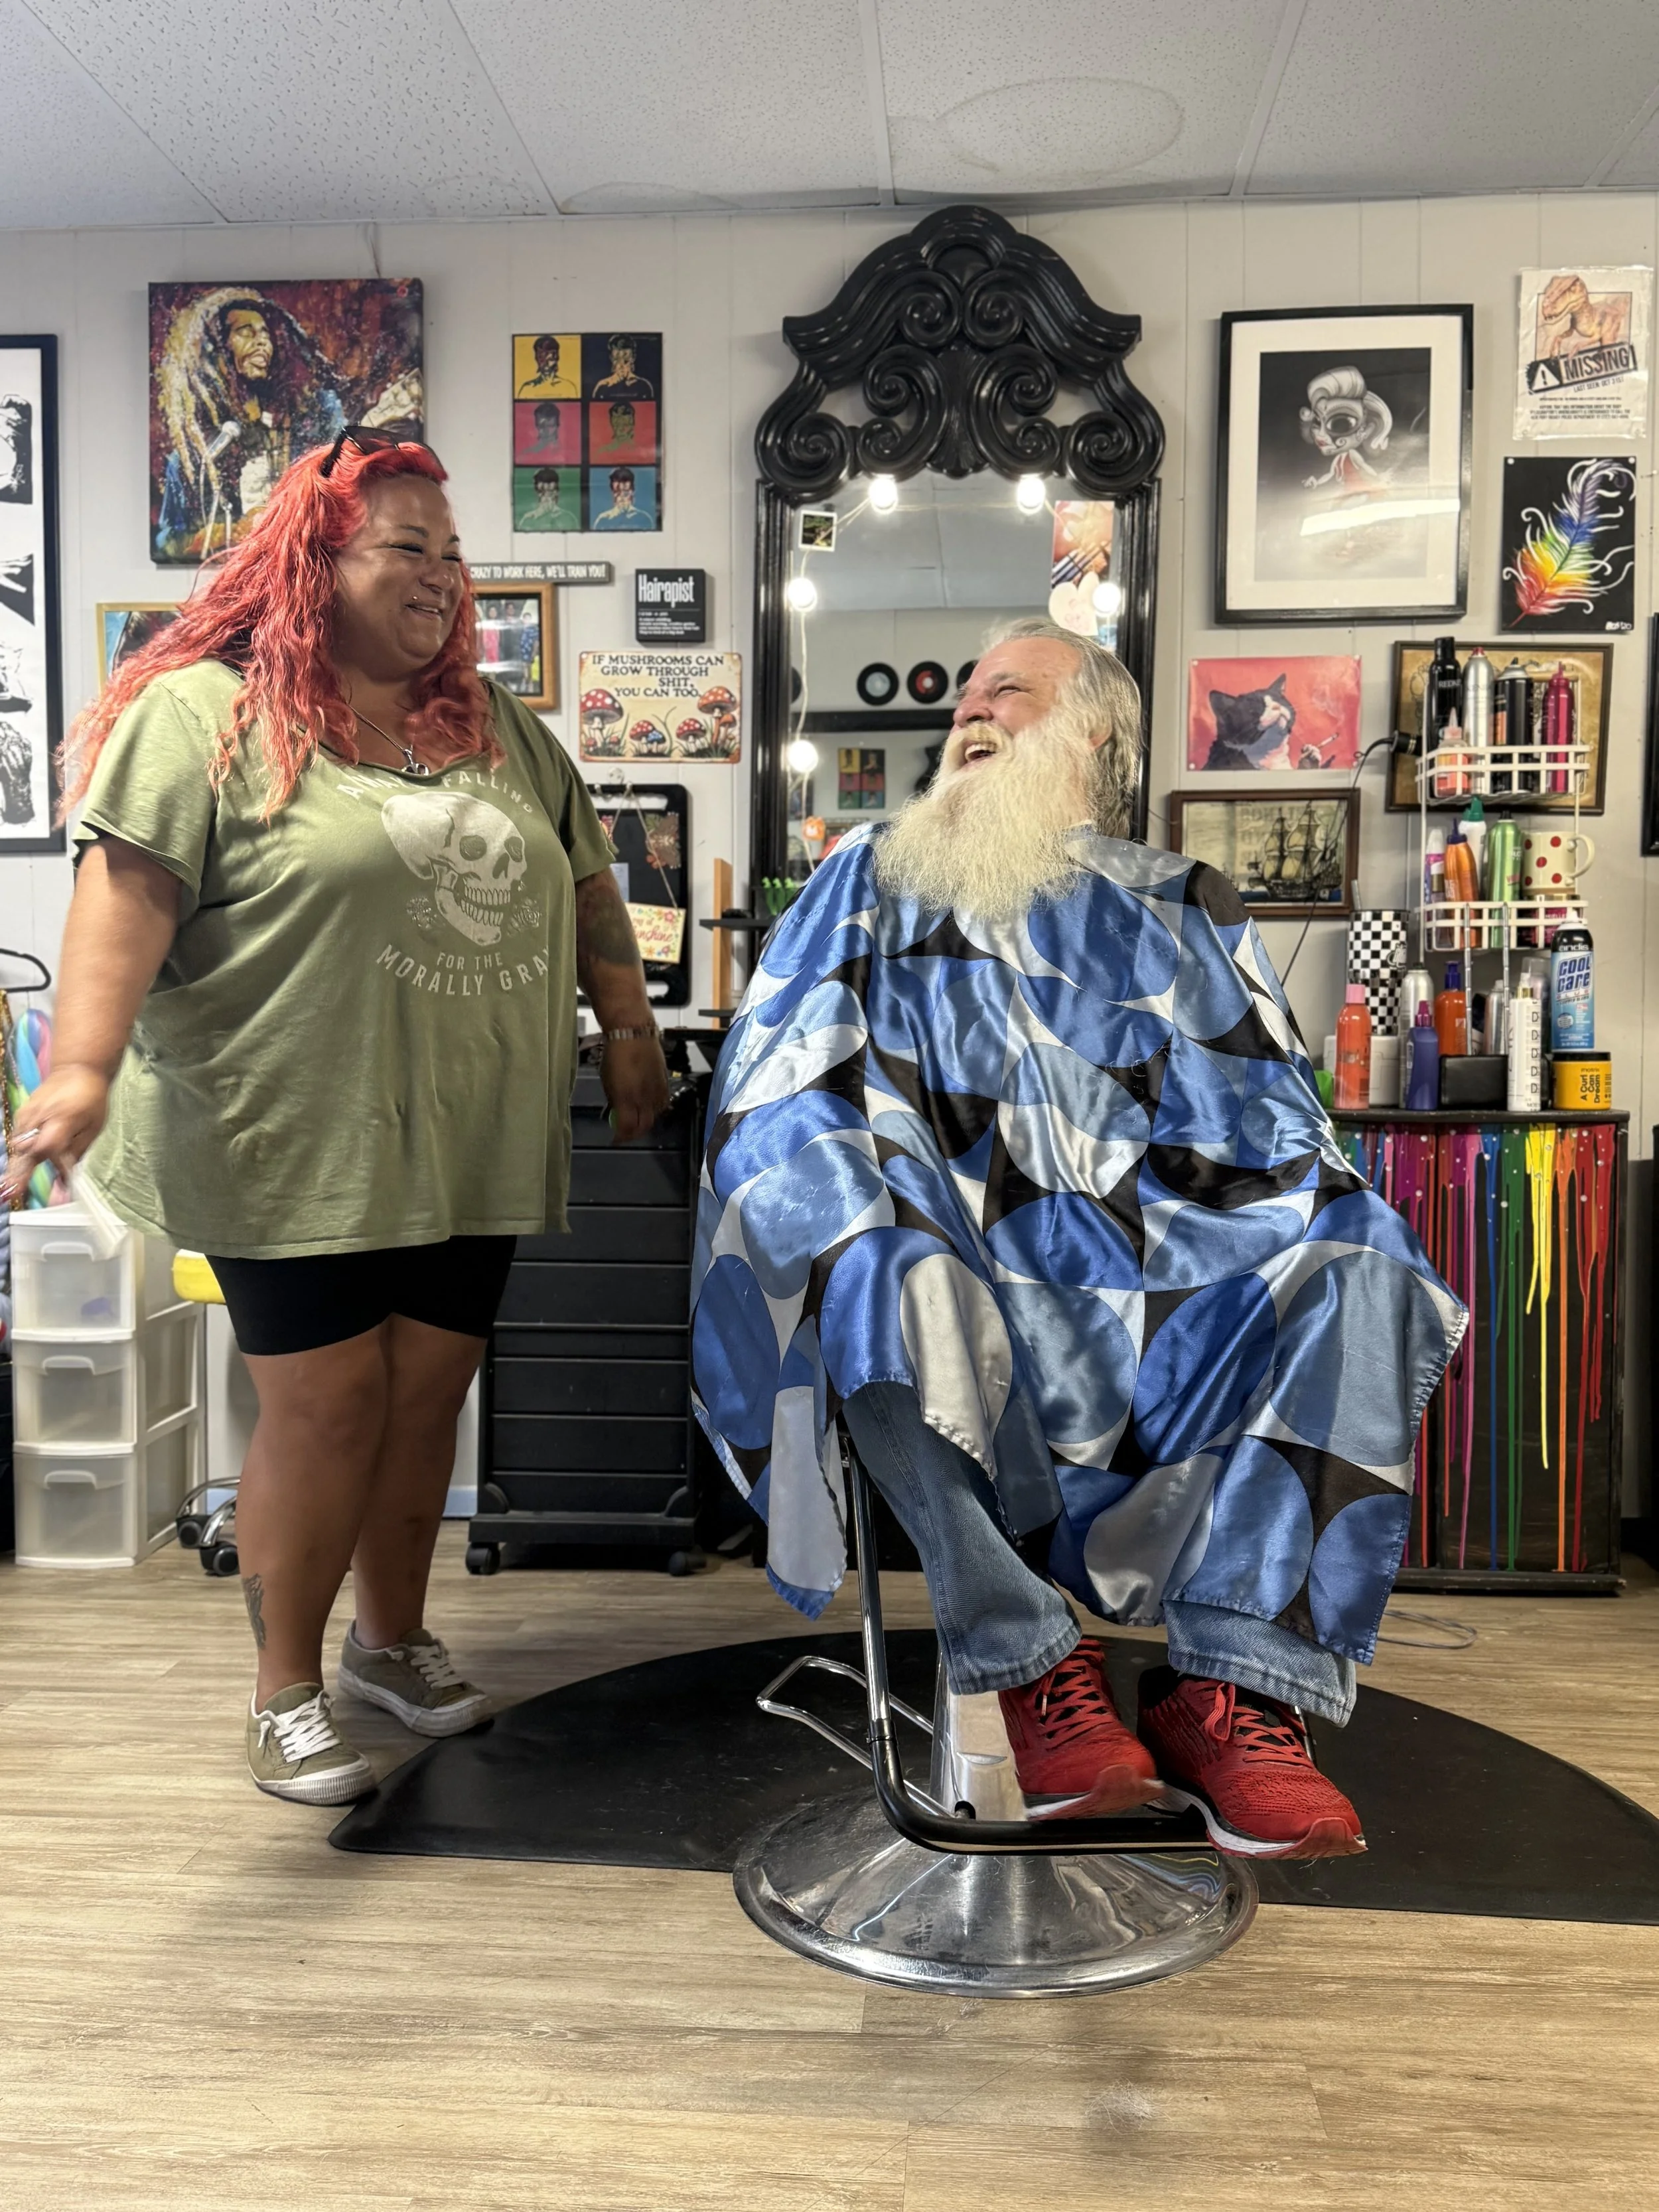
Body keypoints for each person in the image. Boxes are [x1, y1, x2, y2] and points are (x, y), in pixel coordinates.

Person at [689, 619, 1463, 1862]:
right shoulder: (867, 875)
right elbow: (783, 1084)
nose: (972, 713)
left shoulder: (1181, 902)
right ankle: (1031, 1657)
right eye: (964, 702)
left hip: (1165, 1252)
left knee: (1360, 1254)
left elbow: (1271, 1117)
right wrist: (846, 1185)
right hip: (949, 1246)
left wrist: (1216, 1219)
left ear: (1094, 731)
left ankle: (1236, 1692)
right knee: (868, 1252)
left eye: (1013, 692)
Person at [11, 431, 669, 1806]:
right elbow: (126, 895)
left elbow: (589, 881)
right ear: (314, 561)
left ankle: (389, 1642)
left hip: (469, 1132)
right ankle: (283, 1691)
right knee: (325, 1408)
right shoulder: (206, 713)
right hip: (288, 1126)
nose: (439, 577)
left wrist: (624, 1025)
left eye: (449, 551)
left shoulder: (497, 727)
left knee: (424, 1396)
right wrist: (79, 1066)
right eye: (402, 547)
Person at [152, 286, 421, 562]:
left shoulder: (311, 419)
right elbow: (166, 543)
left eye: (265, 333)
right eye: (246, 331)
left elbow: (342, 500)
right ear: (216, 352)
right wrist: (232, 532)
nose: (261, 342)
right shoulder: (195, 457)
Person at [590, 466, 653, 530]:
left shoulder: (644, 518)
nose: (621, 498)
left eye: (626, 493)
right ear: (613, 493)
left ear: (632, 492)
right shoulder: (603, 519)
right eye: (617, 493)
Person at [516, 334, 578, 399]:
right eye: (541, 357)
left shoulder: (568, 387)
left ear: (556, 357)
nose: (545, 363)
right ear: (536, 358)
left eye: (549, 358)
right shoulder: (527, 388)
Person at [592, 337, 653, 401]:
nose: (621, 366)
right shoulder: (603, 386)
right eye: (617, 360)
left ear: (633, 358)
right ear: (611, 358)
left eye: (626, 361)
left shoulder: (643, 386)